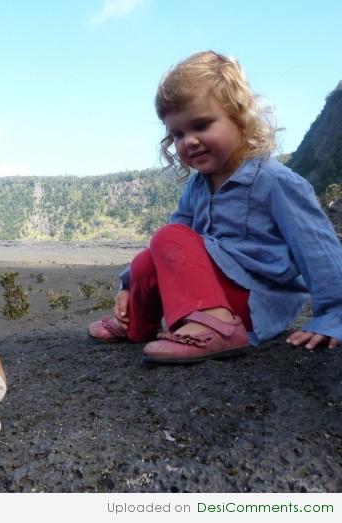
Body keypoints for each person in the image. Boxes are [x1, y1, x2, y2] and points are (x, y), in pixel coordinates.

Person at [88, 50, 342, 363]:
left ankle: (219, 328)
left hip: (253, 301)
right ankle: (136, 325)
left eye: (202, 125)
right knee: (148, 258)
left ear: (240, 118)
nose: (189, 141)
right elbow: (165, 252)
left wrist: (334, 314)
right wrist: (128, 285)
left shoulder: (274, 180)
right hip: (214, 293)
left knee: (170, 236)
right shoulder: (197, 186)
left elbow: (316, 247)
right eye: (178, 133)